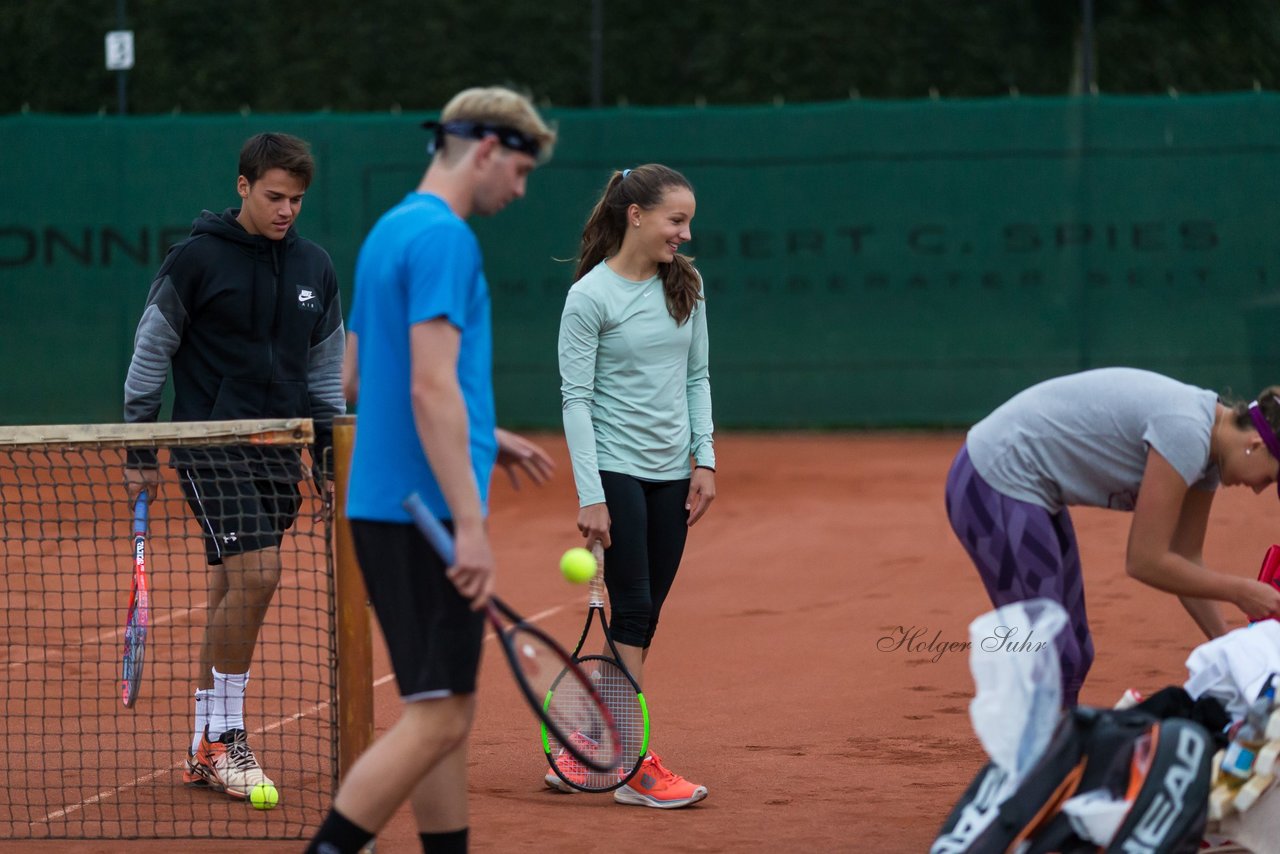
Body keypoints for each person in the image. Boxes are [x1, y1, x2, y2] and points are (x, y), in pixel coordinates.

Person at [305, 86, 556, 854]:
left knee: (439, 709)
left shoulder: (389, 230)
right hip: (429, 517)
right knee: (441, 717)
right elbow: (427, 383)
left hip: (386, 505)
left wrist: (485, 432)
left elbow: (358, 377)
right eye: (520, 170)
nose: (519, 189)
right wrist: (472, 527)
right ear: (486, 149)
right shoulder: (446, 239)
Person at [122, 132, 346, 798]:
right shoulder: (194, 261)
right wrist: (140, 447)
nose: (286, 211)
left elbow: (325, 371)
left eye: (297, 200)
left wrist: (327, 458)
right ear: (243, 187)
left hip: (280, 451)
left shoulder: (316, 267)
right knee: (260, 573)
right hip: (209, 442)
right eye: (275, 196)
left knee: (230, 588)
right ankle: (227, 739)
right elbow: (150, 352)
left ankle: (203, 742)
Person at [945, 367, 1280, 707]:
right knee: (1052, 653)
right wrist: (1242, 591)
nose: (1258, 489)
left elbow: (1185, 558)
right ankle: (1034, 754)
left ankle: (1059, 748)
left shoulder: (1209, 452)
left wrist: (1230, 649)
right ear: (1256, 444)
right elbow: (1145, 560)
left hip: (1025, 492)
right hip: (993, 479)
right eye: (1270, 478)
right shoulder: (1188, 431)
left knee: (1075, 653)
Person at [553, 163, 715, 809]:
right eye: (677, 220)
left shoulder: (688, 284)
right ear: (637, 215)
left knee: (639, 624)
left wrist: (706, 460)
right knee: (638, 610)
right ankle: (633, 766)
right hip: (615, 471)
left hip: (673, 476)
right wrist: (590, 493)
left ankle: (588, 748)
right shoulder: (589, 297)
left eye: (689, 222)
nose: (685, 233)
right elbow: (575, 400)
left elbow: (697, 378)